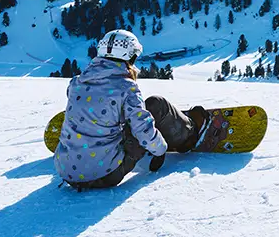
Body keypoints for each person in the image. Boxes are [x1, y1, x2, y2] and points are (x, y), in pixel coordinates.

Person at [54, 29, 210, 188]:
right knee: (156, 104)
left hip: (66, 172)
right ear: (129, 56)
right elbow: (142, 128)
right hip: (107, 175)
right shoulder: (126, 88)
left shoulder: (75, 83)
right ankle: (189, 134)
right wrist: (160, 150)